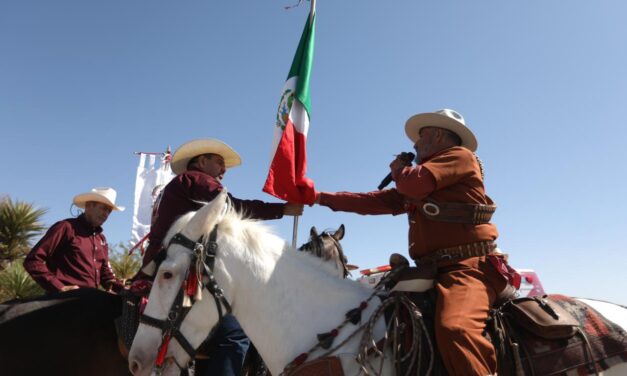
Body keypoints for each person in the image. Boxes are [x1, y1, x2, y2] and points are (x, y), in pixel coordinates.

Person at [313, 109, 518, 376]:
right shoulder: (423, 176)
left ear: (437, 135)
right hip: (432, 269)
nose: (414, 145)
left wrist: (399, 168)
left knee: (455, 329)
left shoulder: (459, 157)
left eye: (420, 138)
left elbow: (413, 184)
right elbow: (375, 201)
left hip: (469, 268)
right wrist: (318, 197)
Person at [138, 138, 303, 376]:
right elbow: (230, 207)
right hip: (182, 270)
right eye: (219, 162)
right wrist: (282, 210)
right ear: (201, 161)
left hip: (167, 266)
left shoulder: (178, 185)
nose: (224, 170)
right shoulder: (196, 180)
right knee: (235, 333)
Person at [24, 187, 125, 294]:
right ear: (89, 205)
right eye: (104, 208)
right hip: (62, 304)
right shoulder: (66, 228)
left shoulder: (101, 239)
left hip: (89, 303)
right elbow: (33, 260)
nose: (106, 214)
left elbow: (105, 274)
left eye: (109, 211)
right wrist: (59, 287)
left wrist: (123, 289)